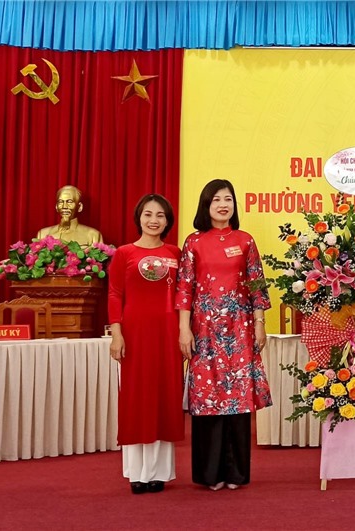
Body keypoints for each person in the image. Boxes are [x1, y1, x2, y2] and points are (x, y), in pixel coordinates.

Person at [176, 178, 272, 492]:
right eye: (216, 199)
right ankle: (209, 474)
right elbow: (184, 288)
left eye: (227, 199)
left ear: (234, 204)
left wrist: (260, 322)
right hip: (203, 330)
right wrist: (183, 329)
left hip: (240, 328)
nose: (222, 204)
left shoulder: (245, 240)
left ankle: (236, 473)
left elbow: (257, 284)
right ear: (206, 205)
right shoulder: (194, 242)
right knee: (207, 397)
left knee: (237, 397)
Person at [107, 193, 184, 494]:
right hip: (134, 334)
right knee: (136, 397)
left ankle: (158, 472)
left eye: (160, 215)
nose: (154, 220)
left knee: (164, 395)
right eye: (148, 214)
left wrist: (184, 331)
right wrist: (117, 333)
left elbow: (185, 296)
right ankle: (136, 473)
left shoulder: (175, 253)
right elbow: (115, 294)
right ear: (139, 218)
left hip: (168, 333)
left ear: (168, 221)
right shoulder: (124, 253)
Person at [37, 185, 104, 245]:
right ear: (56, 207)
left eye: (69, 202)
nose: (64, 206)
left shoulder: (93, 235)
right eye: (61, 202)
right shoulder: (43, 234)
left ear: (79, 207)